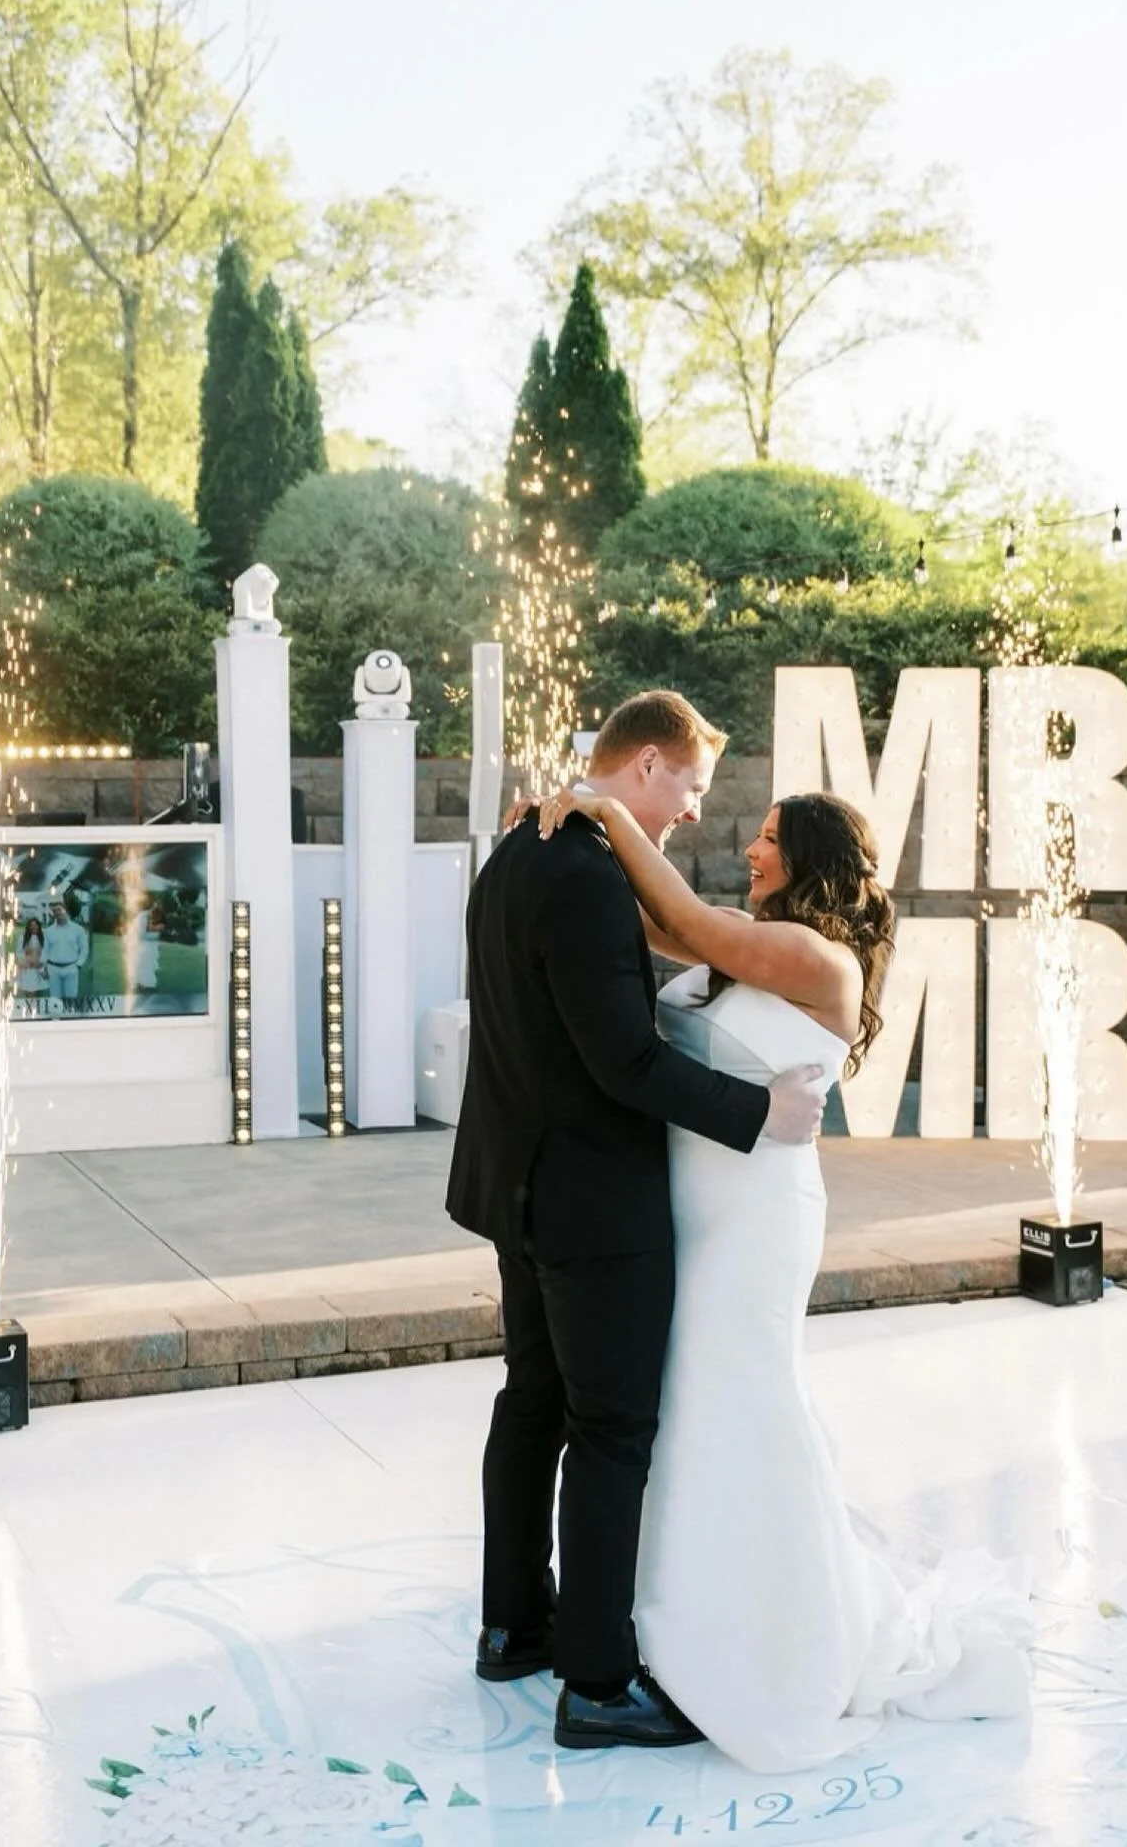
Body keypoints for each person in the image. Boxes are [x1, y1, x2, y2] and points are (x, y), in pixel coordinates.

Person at [527, 781, 1034, 1773]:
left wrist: (605, 811)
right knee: (690, 1409)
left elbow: (675, 917)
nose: (750, 851)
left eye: (768, 838)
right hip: (693, 1211)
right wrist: (557, 853)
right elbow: (641, 924)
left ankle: (774, 1640)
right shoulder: (747, 941)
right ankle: (679, 1613)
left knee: (741, 1403)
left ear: (810, 860)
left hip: (755, 1219)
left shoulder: (816, 958)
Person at [445, 691, 829, 1753]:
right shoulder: (584, 875)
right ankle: (598, 1683)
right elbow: (626, 1062)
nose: (695, 812)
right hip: (591, 1205)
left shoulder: (522, 850)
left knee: (532, 1402)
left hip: (515, 1187)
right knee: (612, 1434)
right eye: (693, 787)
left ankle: (513, 1626)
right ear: (648, 766)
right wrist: (760, 1113)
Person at [43, 898, 89, 1010]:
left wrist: (79, 964)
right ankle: (56, 1019)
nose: (57, 913)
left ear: (65, 910)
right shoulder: (48, 931)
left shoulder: (78, 929)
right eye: (54, 911)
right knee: (55, 1000)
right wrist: (43, 968)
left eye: (59, 909)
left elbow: (84, 948)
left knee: (71, 998)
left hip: (71, 968)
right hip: (53, 969)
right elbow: (45, 951)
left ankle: (69, 1017)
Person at [17, 918, 47, 998]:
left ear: (39, 926)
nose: (34, 927)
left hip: (39, 967)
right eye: (31, 925)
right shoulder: (22, 937)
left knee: (37, 991)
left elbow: (46, 952)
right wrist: (27, 961)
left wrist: (40, 962)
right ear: (29, 927)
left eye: (36, 925)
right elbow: (19, 952)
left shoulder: (43, 938)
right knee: (28, 991)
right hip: (27, 967)